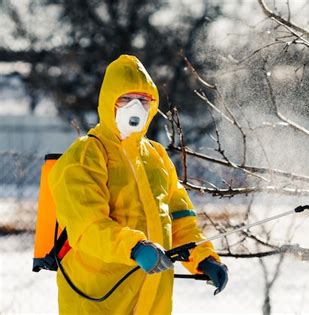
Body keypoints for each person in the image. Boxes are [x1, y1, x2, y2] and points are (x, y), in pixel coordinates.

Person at [49, 54, 228, 314]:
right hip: (96, 299)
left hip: (152, 300)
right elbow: (87, 227)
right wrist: (134, 247)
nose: (136, 107)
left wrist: (204, 259)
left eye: (144, 100)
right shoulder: (86, 155)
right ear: (109, 101)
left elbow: (179, 219)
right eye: (126, 99)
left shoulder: (155, 156)